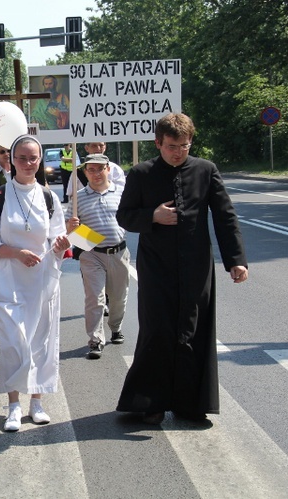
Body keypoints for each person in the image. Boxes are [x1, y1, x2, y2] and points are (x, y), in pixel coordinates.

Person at [115, 113, 248, 424]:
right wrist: (153, 216)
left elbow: (225, 217)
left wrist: (236, 260)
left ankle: (191, 403)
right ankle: (151, 402)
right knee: (158, 330)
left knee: (194, 331)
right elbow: (124, 216)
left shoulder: (206, 170)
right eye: (172, 146)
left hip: (197, 266)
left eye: (185, 146)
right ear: (158, 143)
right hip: (156, 267)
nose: (178, 152)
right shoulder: (141, 173)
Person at [0, 134, 70, 432]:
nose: (28, 163)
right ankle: (14, 405)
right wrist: (16, 253)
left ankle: (37, 402)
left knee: (41, 341)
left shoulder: (48, 196)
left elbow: (55, 237)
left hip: (41, 282)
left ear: (40, 160)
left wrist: (61, 243)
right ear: (11, 161)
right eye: (22, 158)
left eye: (33, 158)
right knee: (15, 343)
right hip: (7, 281)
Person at [65, 154, 130, 360]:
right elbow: (69, 230)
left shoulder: (121, 192)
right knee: (95, 297)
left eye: (100, 169)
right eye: (91, 170)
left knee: (118, 297)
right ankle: (95, 340)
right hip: (92, 256)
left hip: (119, 252)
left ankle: (116, 327)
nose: (96, 174)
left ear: (108, 169)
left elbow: (131, 218)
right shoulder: (78, 198)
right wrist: (82, 235)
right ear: (85, 173)